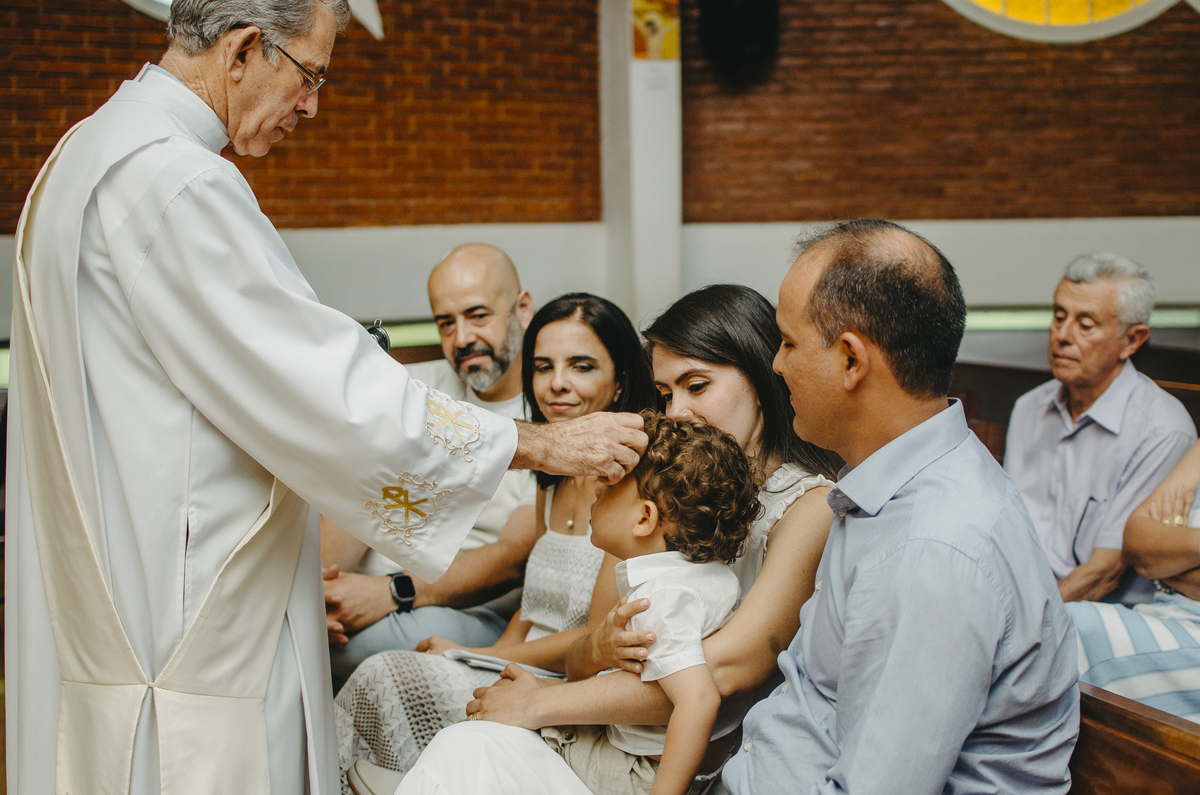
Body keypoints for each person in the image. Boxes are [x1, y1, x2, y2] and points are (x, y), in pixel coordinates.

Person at [5, 3, 645, 794]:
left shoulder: (82, 156)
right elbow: (328, 387)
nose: (312, 106)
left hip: (116, 575)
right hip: (184, 612)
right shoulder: (178, 183)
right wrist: (536, 443)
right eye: (310, 76)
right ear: (244, 50)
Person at [377, 285, 838, 795]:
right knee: (465, 745)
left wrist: (539, 705)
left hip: (694, 763)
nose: (678, 412)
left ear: (759, 378)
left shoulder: (809, 506)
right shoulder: (673, 496)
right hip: (621, 730)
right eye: (666, 394)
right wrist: (591, 651)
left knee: (471, 746)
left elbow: (722, 673)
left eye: (697, 385)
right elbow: (600, 644)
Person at [337, 294, 657, 789]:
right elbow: (529, 610)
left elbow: (591, 639)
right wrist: (481, 654)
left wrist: (482, 657)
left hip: (568, 681)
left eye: (582, 366)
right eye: (543, 366)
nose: (557, 385)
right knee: (387, 673)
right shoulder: (551, 480)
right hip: (515, 663)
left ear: (618, 383)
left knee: (389, 676)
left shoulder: (628, 485)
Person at [456, 411, 762, 795]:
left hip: (633, 770)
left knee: (488, 733)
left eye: (612, 484)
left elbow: (698, 700)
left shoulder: (662, 598)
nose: (596, 488)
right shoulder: (709, 576)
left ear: (644, 518)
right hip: (641, 753)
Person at [323, 243, 539, 678]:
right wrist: (319, 594)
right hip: (355, 590)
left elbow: (515, 556)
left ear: (522, 308)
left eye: (478, 316)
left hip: (458, 606)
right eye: (446, 322)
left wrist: (391, 592)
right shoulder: (413, 388)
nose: (462, 339)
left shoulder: (554, 407)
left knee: (327, 654)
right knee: (290, 631)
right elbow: (356, 494)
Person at [1004, 253, 1195, 605]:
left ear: (1132, 341)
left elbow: (1104, 574)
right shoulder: (1030, 407)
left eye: (1085, 325)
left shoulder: (1163, 430)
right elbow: (1008, 533)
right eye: (1059, 316)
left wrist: (1026, 622)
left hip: (1096, 614)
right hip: (1021, 598)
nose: (1062, 335)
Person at [1067, 440, 1200, 721]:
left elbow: (1152, 557)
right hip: (1160, 615)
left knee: (1068, 629)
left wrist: (1170, 554)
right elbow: (1135, 543)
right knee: (1057, 628)